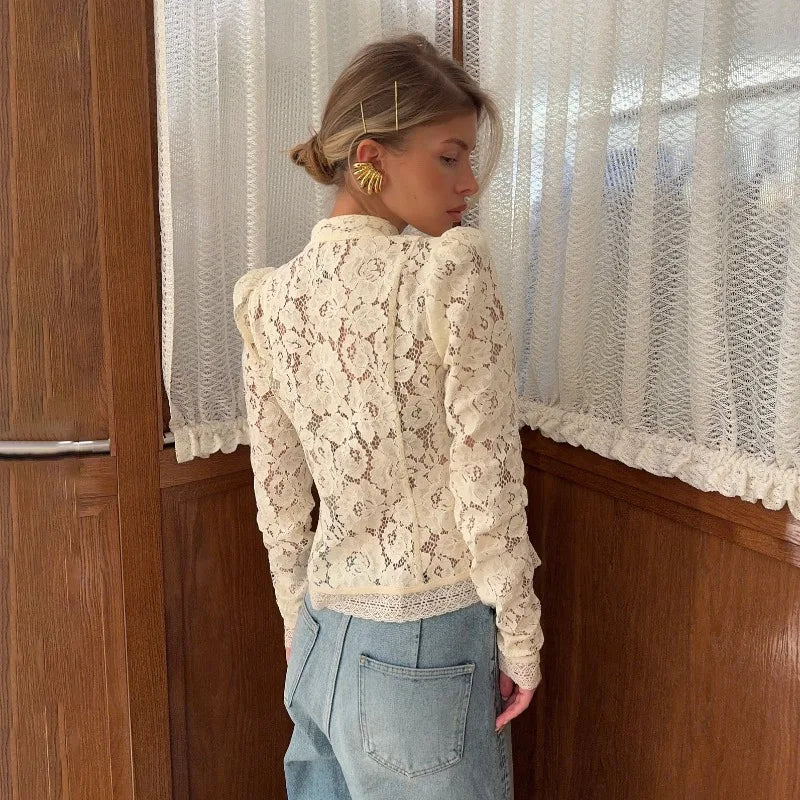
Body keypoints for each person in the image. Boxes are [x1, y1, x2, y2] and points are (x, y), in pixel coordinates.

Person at [233, 33, 543, 800]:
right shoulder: (448, 272)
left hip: (318, 642)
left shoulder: (269, 300)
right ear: (371, 156)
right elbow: (487, 479)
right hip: (424, 646)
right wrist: (520, 638)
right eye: (449, 156)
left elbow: (279, 501)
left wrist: (294, 625)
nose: (469, 182)